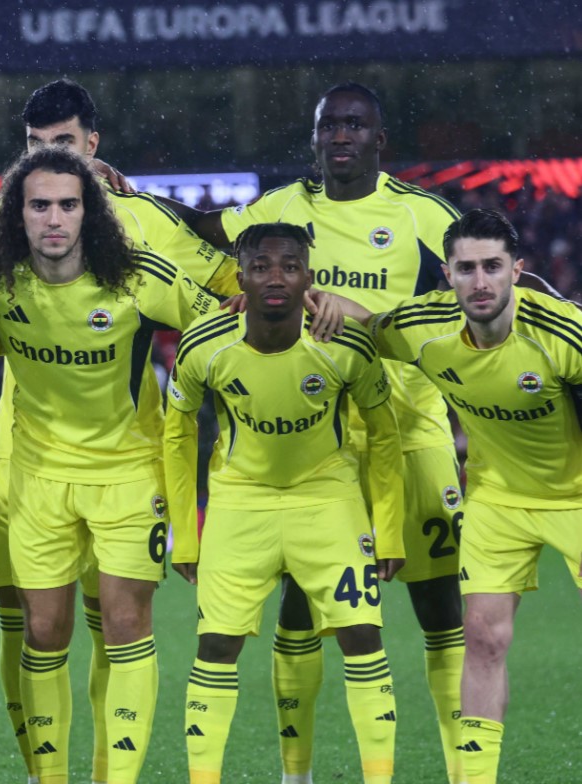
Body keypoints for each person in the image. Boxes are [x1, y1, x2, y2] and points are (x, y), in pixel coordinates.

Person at [155, 82, 468, 783]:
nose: (342, 137)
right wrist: (128, 195)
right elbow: (209, 232)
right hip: (322, 448)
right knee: (299, 616)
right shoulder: (282, 208)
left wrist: (370, 320)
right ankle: (295, 773)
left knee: (441, 611)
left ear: (380, 140)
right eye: (330, 126)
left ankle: (464, 772)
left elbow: (470, 302)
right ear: (315, 138)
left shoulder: (422, 214)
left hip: (409, 429)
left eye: (355, 125)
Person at [0, 79, 237, 784]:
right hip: (23, 445)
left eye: (63, 145)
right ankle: (41, 769)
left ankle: (110, 770)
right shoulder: (3, 221)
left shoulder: (142, 226)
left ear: (94, 144)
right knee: (26, 620)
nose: (48, 160)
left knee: (113, 619)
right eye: (35, 147)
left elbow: (228, 286)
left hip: (122, 448)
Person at [336, 209, 582, 784]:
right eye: (466, 268)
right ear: (447, 275)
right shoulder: (425, 327)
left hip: (577, 496)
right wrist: (300, 297)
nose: (480, 281)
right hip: (497, 499)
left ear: (517, 271)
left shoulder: (563, 333)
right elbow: (363, 323)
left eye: (493, 266)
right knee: (483, 637)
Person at [164, 223, 404, 784]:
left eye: (290, 266)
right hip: (240, 499)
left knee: (363, 634)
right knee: (215, 643)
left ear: (308, 278)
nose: (276, 277)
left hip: (326, 496)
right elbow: (176, 436)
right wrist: (186, 535)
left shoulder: (345, 344)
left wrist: (389, 530)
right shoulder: (204, 344)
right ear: (240, 278)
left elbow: (384, 434)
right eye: (262, 267)